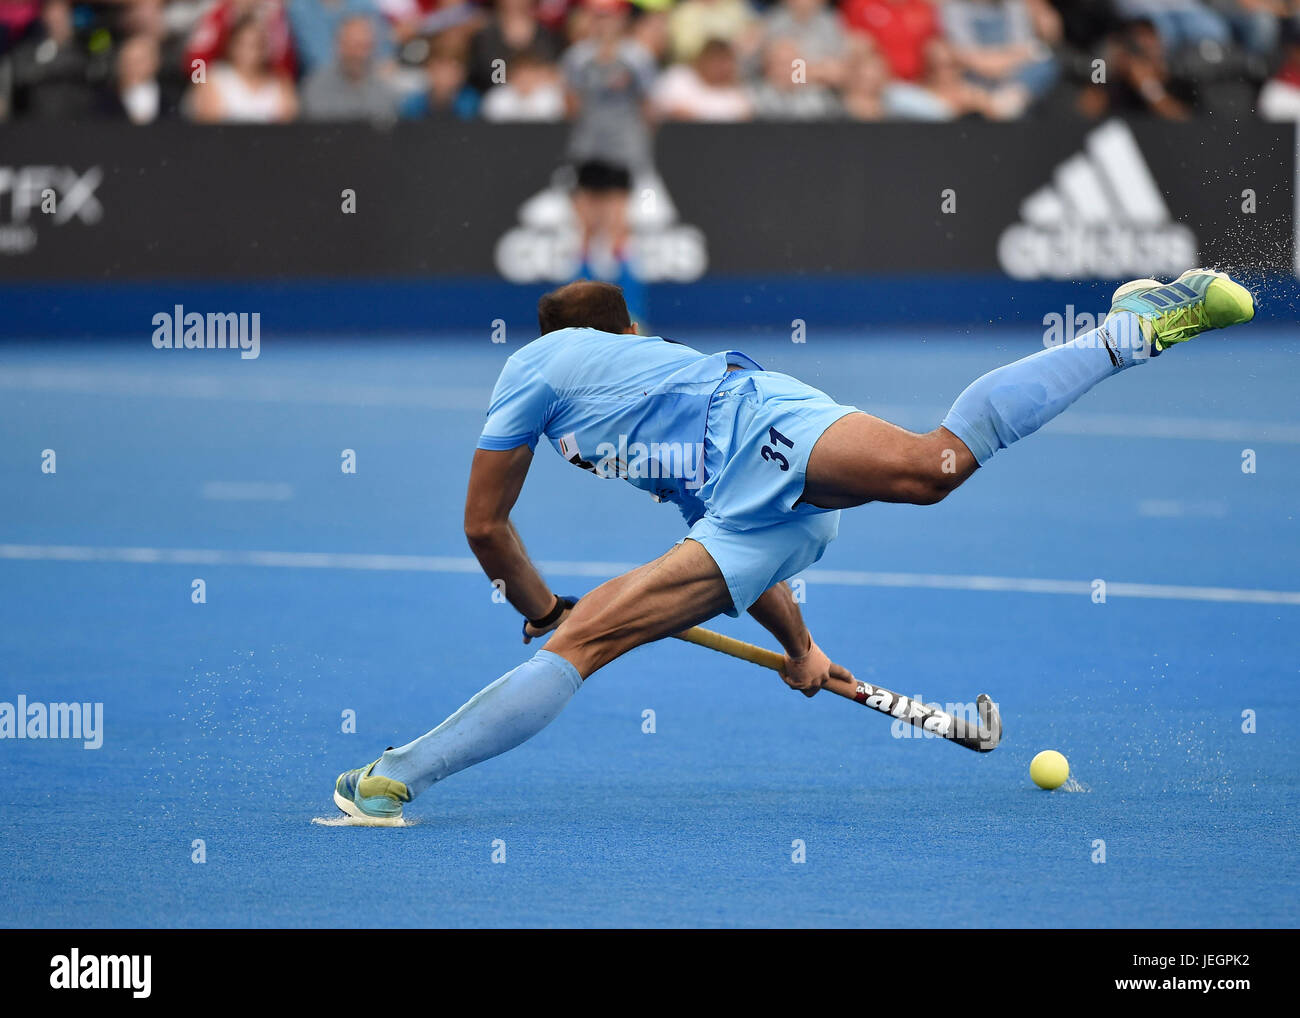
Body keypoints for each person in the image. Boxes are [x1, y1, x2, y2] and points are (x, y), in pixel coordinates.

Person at [332, 270, 1256, 823]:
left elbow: (484, 525)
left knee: (934, 467)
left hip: (766, 423)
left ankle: (1129, 326)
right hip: (756, 498)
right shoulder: (638, 369)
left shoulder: (535, 363)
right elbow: (723, 534)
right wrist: (799, 648)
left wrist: (537, 607)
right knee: (931, 472)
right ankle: (393, 781)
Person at [562, 0, 656, 317]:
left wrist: (635, 144)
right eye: (598, 17)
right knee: (586, 230)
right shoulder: (577, 58)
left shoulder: (637, 58)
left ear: (621, 21)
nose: (604, 24)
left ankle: (630, 316)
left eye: (610, 17)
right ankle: (576, 316)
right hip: (588, 151)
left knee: (618, 230)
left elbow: (648, 105)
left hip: (622, 152)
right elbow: (571, 105)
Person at [188, 14, 298, 122]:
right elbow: (209, 124)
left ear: (266, 47)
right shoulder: (214, 79)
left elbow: (287, 125)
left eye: (257, 44)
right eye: (243, 44)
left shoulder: (281, 81)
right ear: (231, 45)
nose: (250, 52)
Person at [300, 13, 397, 120]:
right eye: (352, 46)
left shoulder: (384, 87)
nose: (358, 54)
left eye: (364, 46)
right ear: (339, 46)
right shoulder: (316, 86)